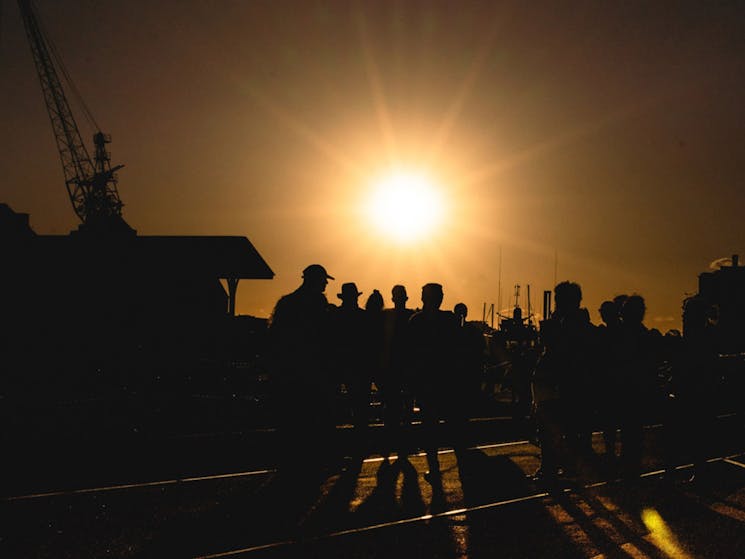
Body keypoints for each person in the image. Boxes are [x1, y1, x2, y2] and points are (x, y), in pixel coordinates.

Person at [268, 264, 336, 466]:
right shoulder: (318, 302)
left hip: (290, 369)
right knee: (315, 415)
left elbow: (275, 337)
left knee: (294, 416)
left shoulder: (287, 303)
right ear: (316, 280)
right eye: (323, 280)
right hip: (313, 369)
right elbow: (325, 336)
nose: (325, 283)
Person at [531, 281, 594, 483]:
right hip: (557, 381)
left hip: (567, 382)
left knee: (560, 428)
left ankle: (559, 468)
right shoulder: (567, 322)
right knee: (552, 428)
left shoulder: (574, 324)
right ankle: (554, 466)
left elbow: (562, 351)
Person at [408, 283, 460, 482]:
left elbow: (410, 355)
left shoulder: (416, 321)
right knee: (453, 424)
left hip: (426, 382)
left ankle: (434, 467)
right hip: (446, 381)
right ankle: (461, 463)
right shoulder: (450, 320)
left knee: (429, 427)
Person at [331, 282, 371, 443]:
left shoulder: (335, 315)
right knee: (360, 405)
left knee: (335, 403)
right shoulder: (363, 316)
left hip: (339, 364)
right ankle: (361, 439)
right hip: (359, 366)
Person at [380, 285, 415, 459]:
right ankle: (405, 438)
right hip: (406, 366)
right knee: (406, 405)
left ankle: (391, 439)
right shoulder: (412, 316)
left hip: (392, 366)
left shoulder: (386, 316)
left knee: (391, 404)